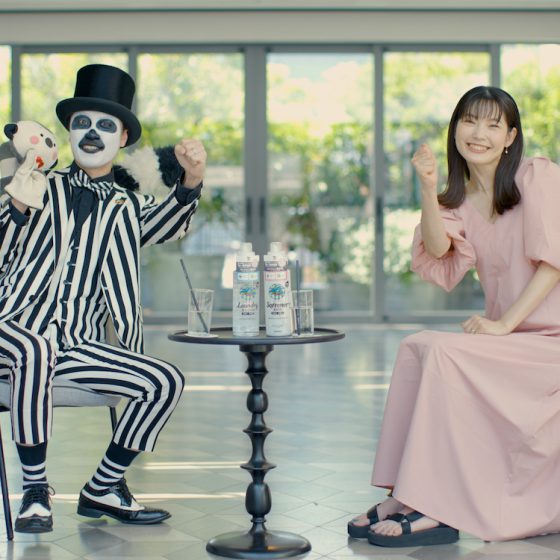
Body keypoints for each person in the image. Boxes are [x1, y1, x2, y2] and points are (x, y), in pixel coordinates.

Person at [347, 85, 560, 547]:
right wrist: (428, 188)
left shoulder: (537, 177)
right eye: (470, 121)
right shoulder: (458, 202)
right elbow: (439, 249)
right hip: (512, 343)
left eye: (493, 124)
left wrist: (503, 325)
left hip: (550, 343)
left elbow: (554, 263)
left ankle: (435, 508)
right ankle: (404, 493)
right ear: (455, 129)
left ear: (511, 137)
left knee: (445, 353)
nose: (479, 133)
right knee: (417, 346)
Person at [0, 63, 206, 533]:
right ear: (70, 132)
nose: (92, 133)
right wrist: (17, 199)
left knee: (164, 380)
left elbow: (171, 223)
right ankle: (35, 490)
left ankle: (104, 486)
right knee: (35, 347)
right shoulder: (36, 181)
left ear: (123, 138)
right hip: (10, 330)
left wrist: (193, 177)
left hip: (76, 344)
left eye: (105, 126)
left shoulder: (127, 206)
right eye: (82, 123)